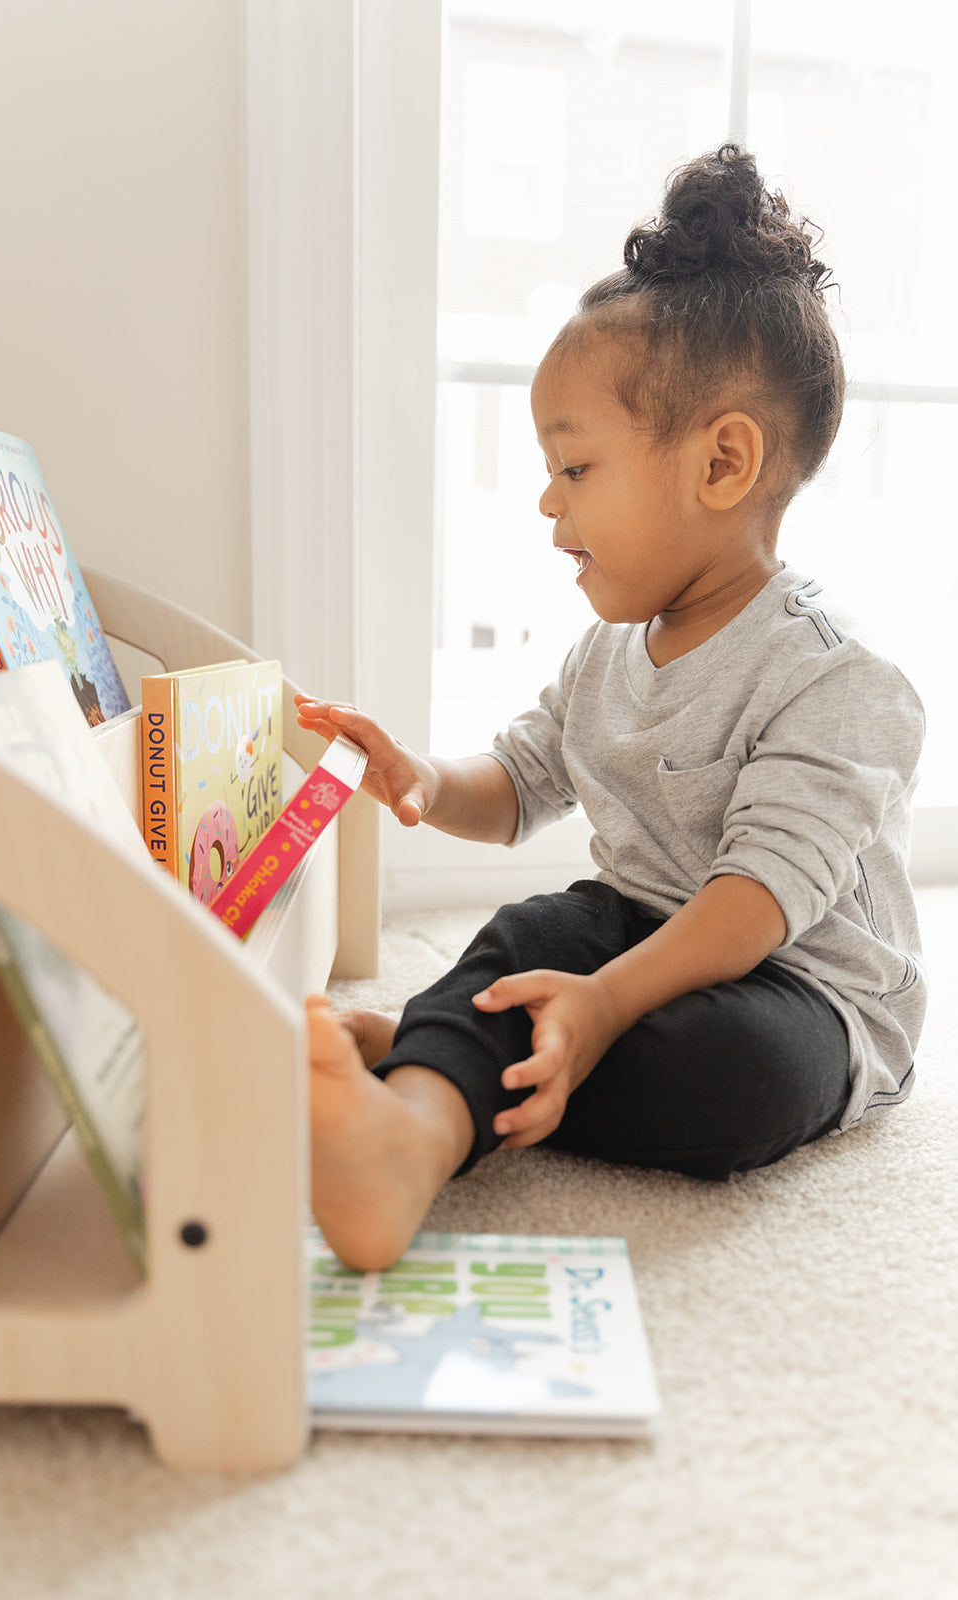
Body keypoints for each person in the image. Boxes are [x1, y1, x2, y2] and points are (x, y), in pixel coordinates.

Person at [296, 145, 926, 1272]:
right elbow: (519, 787)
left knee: (724, 1078)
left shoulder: (837, 677)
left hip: (801, 991)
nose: (546, 502)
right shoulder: (607, 650)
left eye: (574, 467)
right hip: (635, 932)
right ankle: (414, 1133)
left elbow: (752, 903)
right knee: (529, 935)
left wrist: (601, 1004)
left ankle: (450, 1053)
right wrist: (424, 781)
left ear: (722, 463)